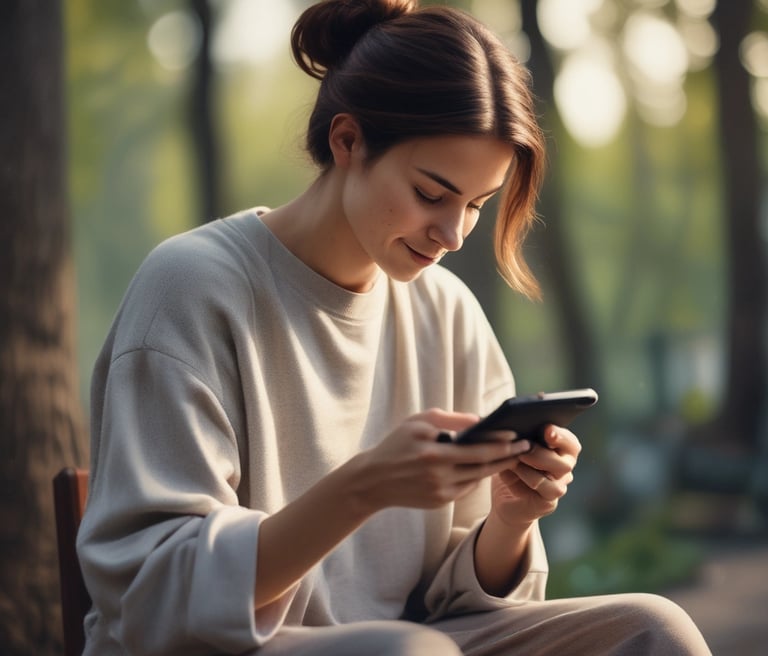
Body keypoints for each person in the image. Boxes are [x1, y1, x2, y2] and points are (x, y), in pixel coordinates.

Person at [77, 1, 712, 654]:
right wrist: (365, 487)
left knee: (655, 631)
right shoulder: (193, 287)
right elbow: (150, 598)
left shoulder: (447, 313)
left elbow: (457, 604)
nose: (454, 234)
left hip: (417, 642)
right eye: (432, 194)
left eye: (476, 205)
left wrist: (512, 519)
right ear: (347, 141)